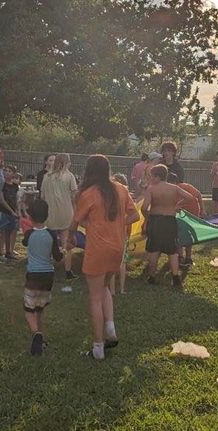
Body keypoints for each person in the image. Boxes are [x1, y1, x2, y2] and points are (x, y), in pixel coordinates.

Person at [70, 154, 139, 360]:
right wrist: (116, 223)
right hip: (117, 249)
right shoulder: (121, 189)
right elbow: (134, 215)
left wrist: (69, 239)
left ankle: (98, 347)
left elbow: (75, 222)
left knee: (95, 297)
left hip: (97, 249)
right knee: (106, 287)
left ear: (89, 171)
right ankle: (110, 328)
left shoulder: (89, 193)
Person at [22, 198, 64, 356]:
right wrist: (66, 252)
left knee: (28, 309)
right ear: (47, 215)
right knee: (39, 309)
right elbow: (58, 257)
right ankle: (42, 338)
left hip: (33, 275)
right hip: (48, 276)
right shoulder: (52, 234)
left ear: (31, 216)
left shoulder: (29, 234)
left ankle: (36, 334)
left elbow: (24, 242)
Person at [142, 164, 185, 287]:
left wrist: (147, 216)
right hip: (170, 221)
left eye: (151, 176)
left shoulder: (151, 189)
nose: (150, 179)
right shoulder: (174, 188)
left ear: (158, 177)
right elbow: (190, 197)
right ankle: (176, 277)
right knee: (172, 251)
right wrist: (177, 206)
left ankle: (152, 276)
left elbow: (144, 207)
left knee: (154, 249)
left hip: (156, 220)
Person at [40, 153, 78, 280]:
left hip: (50, 213)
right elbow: (74, 196)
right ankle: (68, 271)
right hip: (66, 212)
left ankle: (46, 268)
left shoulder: (47, 176)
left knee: (49, 242)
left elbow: (42, 197)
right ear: (66, 162)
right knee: (66, 243)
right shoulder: (69, 176)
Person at [172, 171, 202, 270]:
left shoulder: (184, 187)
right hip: (182, 214)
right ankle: (182, 257)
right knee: (181, 234)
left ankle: (186, 257)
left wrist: (203, 209)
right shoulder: (171, 190)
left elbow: (197, 194)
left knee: (184, 234)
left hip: (191, 213)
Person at [0, 165, 23, 263]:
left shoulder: (15, 185)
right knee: (2, 232)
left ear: (13, 173)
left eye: (9, 171)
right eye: (5, 171)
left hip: (13, 212)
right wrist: (11, 211)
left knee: (9, 232)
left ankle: (8, 252)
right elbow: (2, 200)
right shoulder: (2, 184)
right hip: (4, 211)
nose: (7, 173)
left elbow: (16, 199)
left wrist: (17, 210)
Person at [112, 173, 131, 295]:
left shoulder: (109, 197)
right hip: (123, 234)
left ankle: (112, 290)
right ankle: (122, 289)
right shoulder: (126, 196)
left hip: (111, 233)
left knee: (112, 263)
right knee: (122, 263)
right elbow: (133, 216)